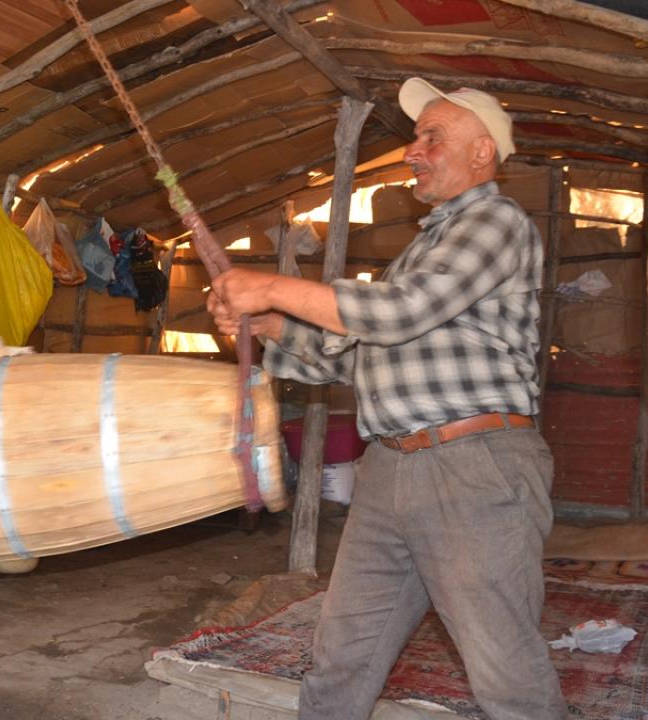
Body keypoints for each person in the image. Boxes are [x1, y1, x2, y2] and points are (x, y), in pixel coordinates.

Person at [207, 78, 567, 719]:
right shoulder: (422, 250)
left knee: (503, 669)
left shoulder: (496, 222)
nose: (413, 151)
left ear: (483, 153)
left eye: (434, 137)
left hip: (473, 465)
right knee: (343, 651)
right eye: (414, 137)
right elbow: (340, 352)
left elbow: (400, 313)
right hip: (391, 467)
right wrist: (266, 327)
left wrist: (273, 288)